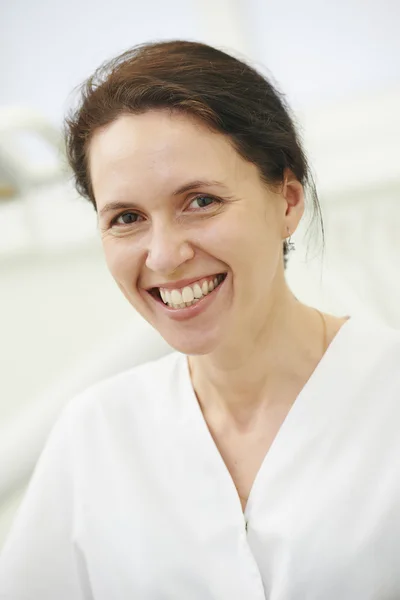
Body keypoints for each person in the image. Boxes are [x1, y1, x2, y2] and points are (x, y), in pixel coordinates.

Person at [1, 40, 399, 600]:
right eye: (127, 217)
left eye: (201, 201)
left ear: (286, 201)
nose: (163, 256)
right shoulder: (96, 435)